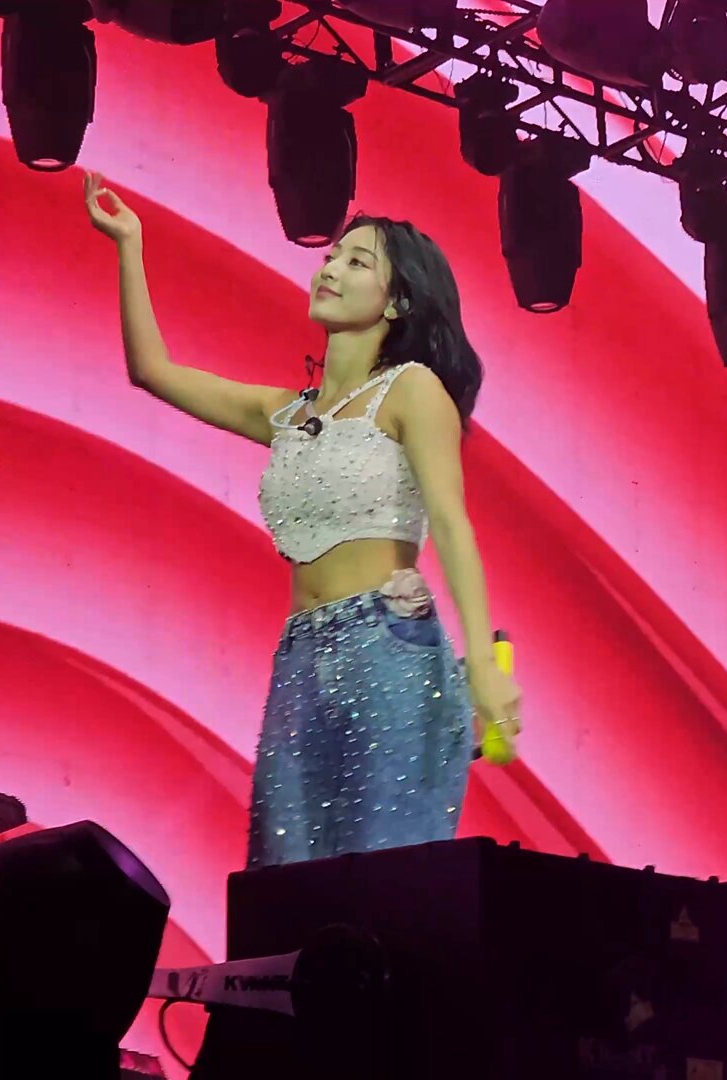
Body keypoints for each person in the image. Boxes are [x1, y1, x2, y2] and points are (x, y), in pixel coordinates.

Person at [84, 173, 521, 869]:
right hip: (300, 659)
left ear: (398, 301)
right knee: (283, 882)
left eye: (357, 261)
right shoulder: (286, 413)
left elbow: (451, 524)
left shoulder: (412, 390)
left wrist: (483, 667)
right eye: (330, 256)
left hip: (388, 650)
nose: (331, 269)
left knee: (382, 882)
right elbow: (152, 371)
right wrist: (129, 244)